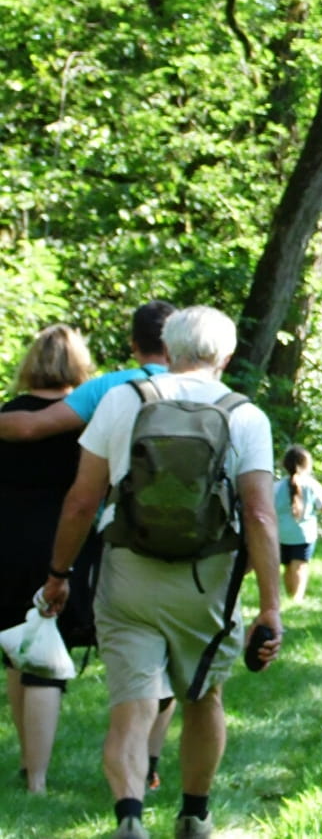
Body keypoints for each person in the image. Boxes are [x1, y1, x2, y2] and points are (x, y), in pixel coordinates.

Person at [39, 305, 282, 839]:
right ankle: (194, 812)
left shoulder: (123, 401)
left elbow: (82, 501)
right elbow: (262, 515)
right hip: (208, 582)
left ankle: (130, 815)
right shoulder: (245, 414)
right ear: (227, 354)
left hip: (128, 571)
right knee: (203, 695)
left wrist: (59, 574)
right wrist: (270, 606)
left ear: (167, 350)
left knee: (132, 701)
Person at [0, 301, 178, 792]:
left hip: (21, 539)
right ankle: (148, 761)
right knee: (157, 649)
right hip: (150, 539)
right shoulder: (209, 392)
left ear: (133, 342)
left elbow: (32, 427)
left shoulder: (110, 390)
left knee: (31, 645)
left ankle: (34, 776)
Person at [2, 324, 94, 794]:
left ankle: (27, 760)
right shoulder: (82, 419)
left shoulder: (8, 414)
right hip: (61, 540)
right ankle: (37, 779)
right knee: (44, 657)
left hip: (7, 539)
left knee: (20, 648)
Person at [275, 446, 322, 603]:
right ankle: (297, 598)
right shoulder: (312, 485)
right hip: (304, 534)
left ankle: (289, 595)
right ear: (307, 465)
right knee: (300, 566)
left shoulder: (277, 487)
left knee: (287, 566)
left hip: (281, 535)